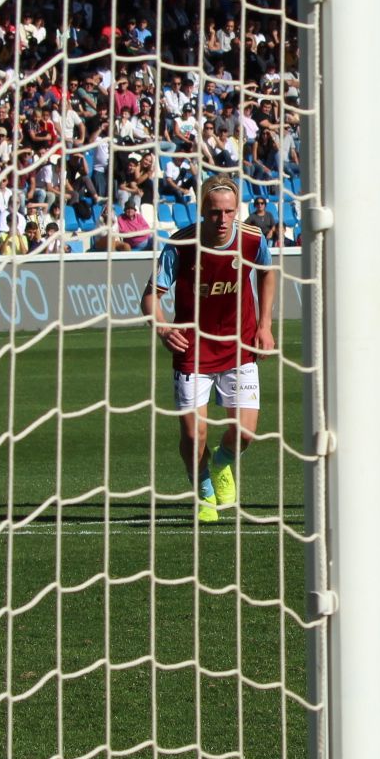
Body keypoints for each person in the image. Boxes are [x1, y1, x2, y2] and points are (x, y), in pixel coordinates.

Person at [140, 176, 276, 523]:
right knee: (193, 432)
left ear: (237, 211)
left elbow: (267, 273)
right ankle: (203, 491)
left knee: (245, 431)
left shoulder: (252, 238)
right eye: (215, 213)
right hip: (193, 349)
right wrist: (163, 329)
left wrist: (264, 325)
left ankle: (223, 460)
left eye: (229, 211)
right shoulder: (180, 244)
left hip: (239, 344)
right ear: (202, 211)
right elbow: (150, 297)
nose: (223, 219)